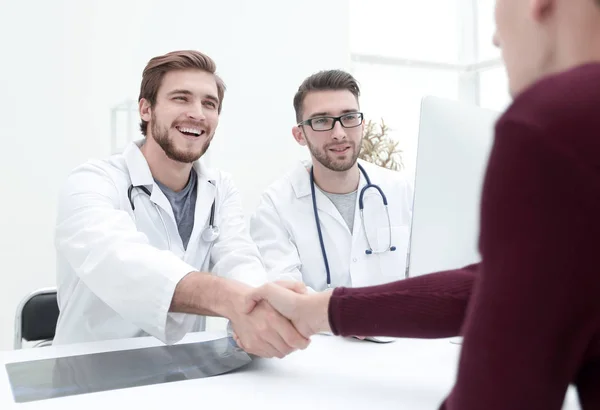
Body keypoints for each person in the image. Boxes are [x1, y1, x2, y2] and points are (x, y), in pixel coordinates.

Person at [245, 0, 600, 407]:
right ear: (300, 133)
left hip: (393, 360)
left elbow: (501, 387)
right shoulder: (276, 201)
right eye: (323, 121)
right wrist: (321, 311)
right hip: (329, 362)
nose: (496, 38)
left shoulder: (551, 127)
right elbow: (487, 287)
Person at [53, 50, 309, 359]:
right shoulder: (92, 182)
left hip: (183, 371)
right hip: (89, 374)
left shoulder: (220, 189)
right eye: (181, 98)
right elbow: (120, 261)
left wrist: (261, 304)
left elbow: (238, 258)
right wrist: (232, 299)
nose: (198, 113)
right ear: (146, 109)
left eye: (209, 104)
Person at [250, 70, 413, 292]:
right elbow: (287, 296)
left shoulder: (400, 190)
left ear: (362, 125)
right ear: (300, 135)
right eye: (322, 121)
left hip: (397, 326)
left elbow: (425, 273)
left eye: (349, 118)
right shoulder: (276, 206)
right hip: (319, 328)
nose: (339, 133)